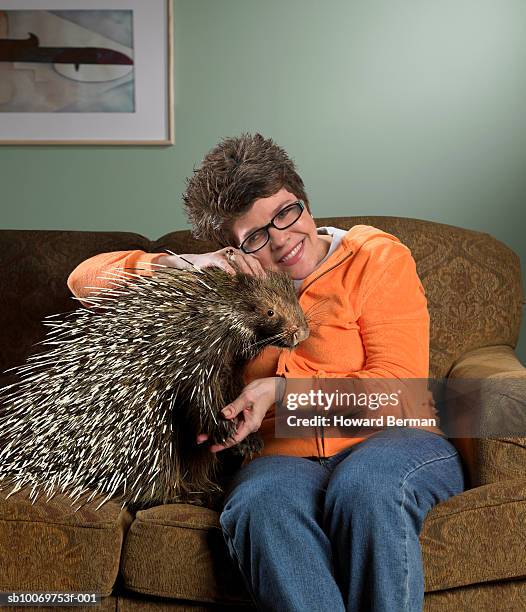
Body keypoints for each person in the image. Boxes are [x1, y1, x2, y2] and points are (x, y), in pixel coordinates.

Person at [67, 133, 465, 612]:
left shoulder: (375, 258)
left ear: (303, 199)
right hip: (280, 458)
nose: (280, 240)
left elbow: (399, 391)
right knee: (259, 507)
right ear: (235, 249)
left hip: (395, 442)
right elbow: (85, 280)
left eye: (286, 213)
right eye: (255, 237)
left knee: (365, 490)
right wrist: (195, 266)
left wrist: (283, 391)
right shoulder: (226, 287)